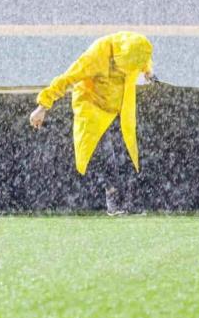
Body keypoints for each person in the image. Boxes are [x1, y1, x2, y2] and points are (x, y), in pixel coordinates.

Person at [29, 31, 154, 215]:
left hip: (120, 104)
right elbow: (67, 78)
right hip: (92, 106)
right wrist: (43, 106)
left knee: (125, 153)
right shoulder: (96, 54)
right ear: (118, 56)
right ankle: (113, 198)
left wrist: (148, 72)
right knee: (102, 153)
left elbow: (143, 61)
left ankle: (128, 201)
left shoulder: (137, 49)